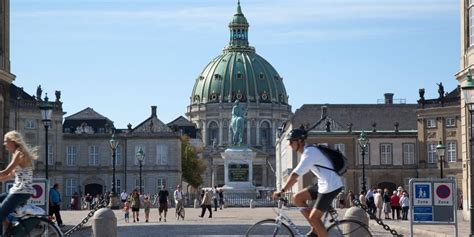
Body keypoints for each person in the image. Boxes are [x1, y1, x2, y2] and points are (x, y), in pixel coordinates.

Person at [272, 128, 343, 237]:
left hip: (331, 186)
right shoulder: (307, 151)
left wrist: (282, 191)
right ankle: (316, 229)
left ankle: (317, 227)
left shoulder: (309, 153)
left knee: (314, 218)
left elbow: (295, 175)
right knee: (297, 198)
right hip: (322, 184)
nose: (290, 144)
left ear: (300, 141)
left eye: (292, 141)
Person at [0, 131, 38, 229]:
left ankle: (10, 228)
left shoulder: (19, 153)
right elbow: (9, 175)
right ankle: (9, 227)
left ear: (13, 141)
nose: (4, 144)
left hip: (20, 192)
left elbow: (6, 171)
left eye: (6, 141)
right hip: (17, 191)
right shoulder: (17, 153)